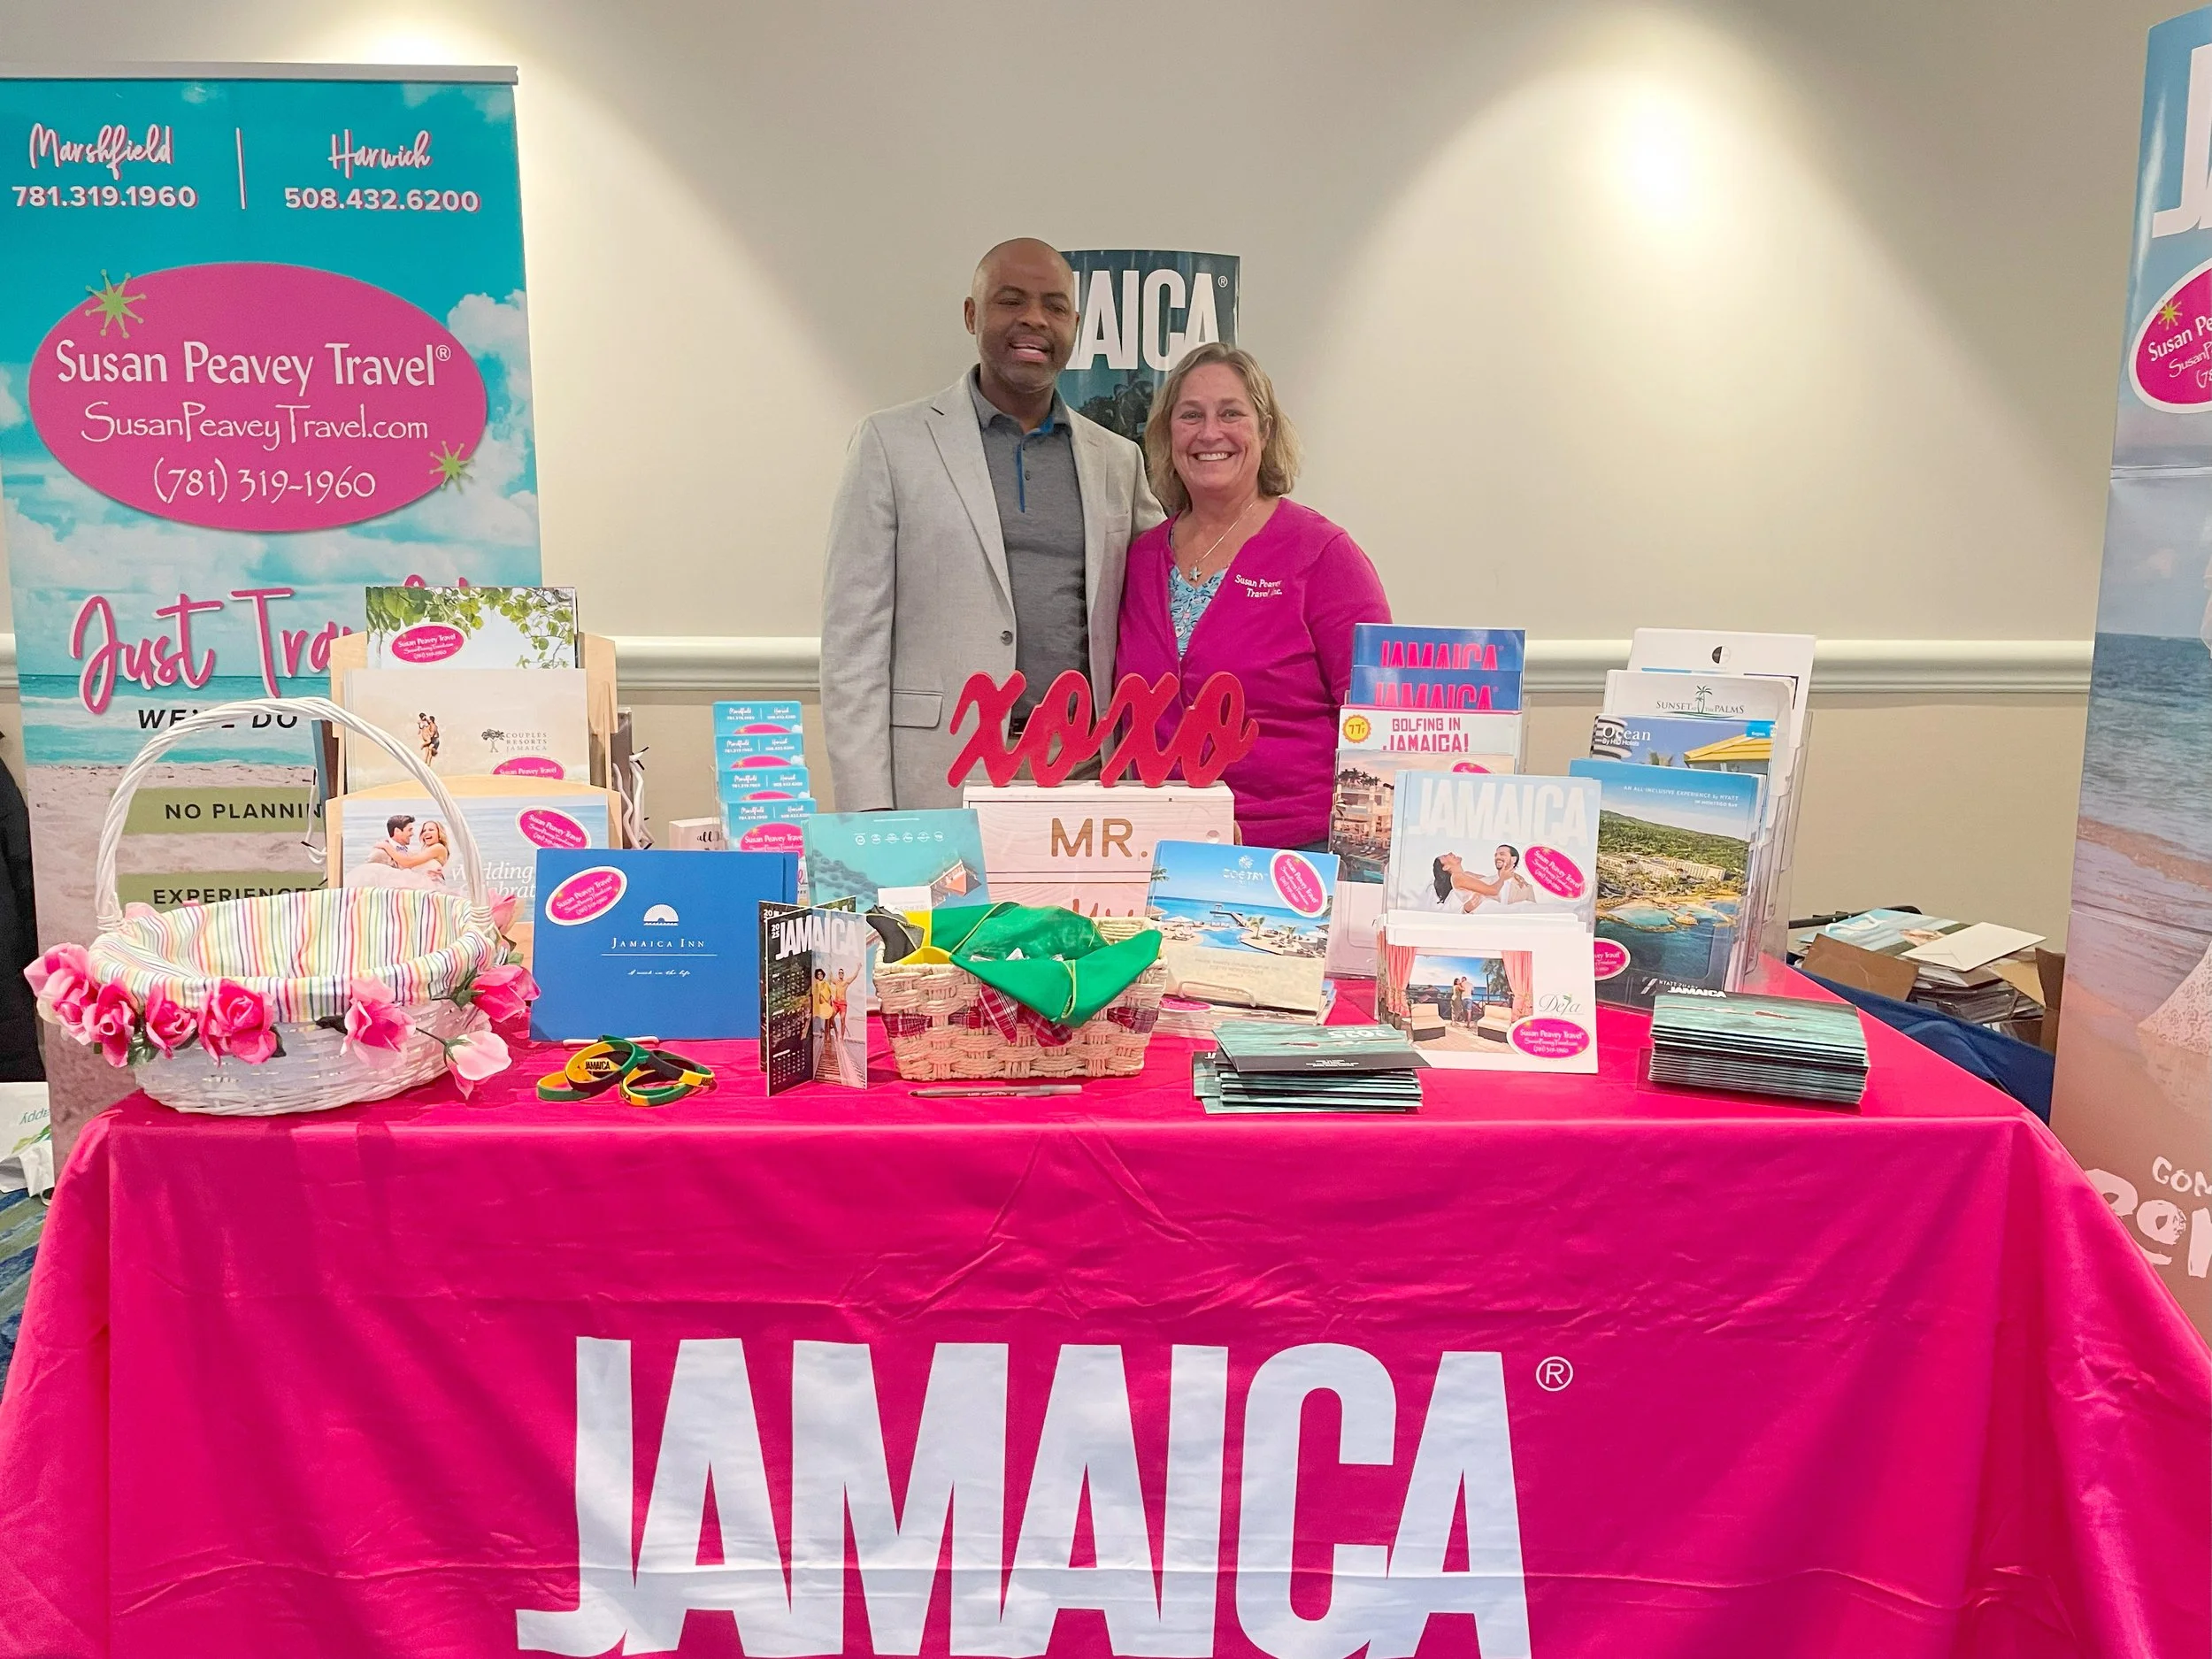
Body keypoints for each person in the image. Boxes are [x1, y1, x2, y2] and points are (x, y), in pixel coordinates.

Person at [822, 238, 1164, 810]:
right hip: (941, 772)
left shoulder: (1118, 459)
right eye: (1011, 300)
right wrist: (867, 814)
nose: (1034, 319)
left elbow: (1163, 591)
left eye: (1055, 306)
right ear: (971, 314)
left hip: (1085, 772)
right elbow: (852, 647)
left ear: (1075, 326)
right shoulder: (889, 443)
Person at [1114, 343, 1390, 849]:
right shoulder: (1139, 559)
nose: (1209, 433)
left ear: (1265, 430)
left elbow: (1378, 722)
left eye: (1231, 413)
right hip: (1159, 847)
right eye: (1190, 415)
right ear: (1167, 435)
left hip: (1294, 852)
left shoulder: (1323, 554)